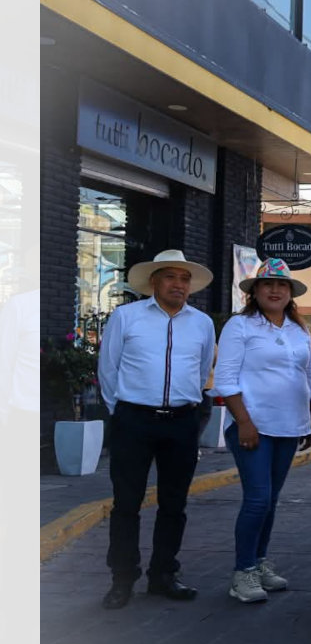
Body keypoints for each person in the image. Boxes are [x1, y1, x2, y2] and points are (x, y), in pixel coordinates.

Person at [97, 250, 216, 609]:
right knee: (126, 503)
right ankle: (122, 579)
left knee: (174, 504)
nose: (178, 285)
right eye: (170, 278)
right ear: (153, 282)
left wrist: (190, 409)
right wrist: (120, 411)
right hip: (134, 419)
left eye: (184, 279)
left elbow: (201, 370)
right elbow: (108, 368)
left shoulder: (202, 323)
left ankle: (163, 575)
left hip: (181, 421)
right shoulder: (126, 316)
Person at [215, 259, 311, 604]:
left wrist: (308, 419)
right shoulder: (239, 327)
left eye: (282, 285)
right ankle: (242, 572)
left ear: (290, 294)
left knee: (270, 501)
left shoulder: (298, 330)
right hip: (253, 426)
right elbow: (226, 379)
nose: (275, 290)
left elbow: (307, 377)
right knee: (257, 499)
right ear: (254, 292)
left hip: (289, 426)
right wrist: (243, 421)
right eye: (268, 284)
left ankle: (258, 562)